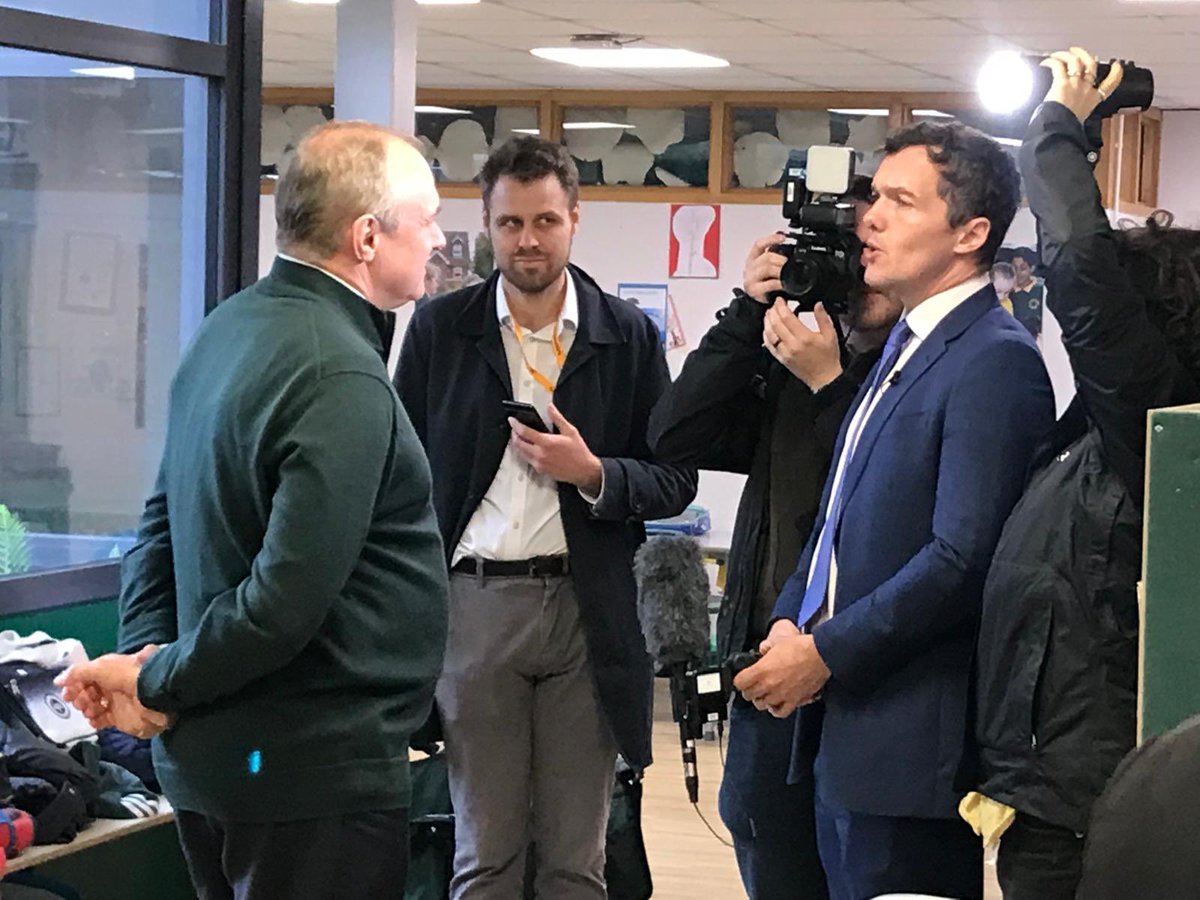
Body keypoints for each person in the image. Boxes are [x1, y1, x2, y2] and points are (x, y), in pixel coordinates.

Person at [56, 121, 451, 900]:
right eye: (427, 218)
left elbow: (157, 530)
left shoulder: (228, 327)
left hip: (224, 764)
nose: (439, 238)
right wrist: (155, 679)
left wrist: (146, 668)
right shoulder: (339, 372)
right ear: (367, 237)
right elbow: (283, 602)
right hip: (307, 776)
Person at [734, 120, 1056, 900]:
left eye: (899, 203)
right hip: (843, 735)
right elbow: (836, 520)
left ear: (970, 234)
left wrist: (824, 651)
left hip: (909, 747)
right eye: (873, 198)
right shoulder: (903, 348)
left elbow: (963, 558)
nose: (868, 220)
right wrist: (789, 619)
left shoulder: (995, 360)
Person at [394, 136, 697, 900]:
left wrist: (594, 474)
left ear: (574, 220)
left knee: (575, 859)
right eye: (510, 223)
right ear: (487, 226)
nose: (528, 240)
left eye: (545, 221)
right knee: (485, 856)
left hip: (586, 611)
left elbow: (674, 479)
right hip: (473, 605)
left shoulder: (626, 335)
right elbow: (397, 478)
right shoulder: (440, 330)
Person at [972, 47, 1200, 900]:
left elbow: (1081, 265)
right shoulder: (1102, 436)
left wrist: (1059, 129)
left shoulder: (1154, 421)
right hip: (1052, 793)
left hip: (1093, 810)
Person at [647, 179, 903, 900]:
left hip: (862, 672)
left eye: (865, 251)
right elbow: (673, 435)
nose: (854, 272)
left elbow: (889, 489)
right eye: (840, 252)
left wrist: (831, 384)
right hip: (767, 659)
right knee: (766, 839)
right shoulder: (792, 365)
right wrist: (744, 315)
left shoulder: (915, 372)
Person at [1009, 246, 1045, 338]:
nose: (1017, 273)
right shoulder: (1004, 290)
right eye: (1014, 268)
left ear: (1032, 268)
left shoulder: (1041, 290)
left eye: (1023, 268)